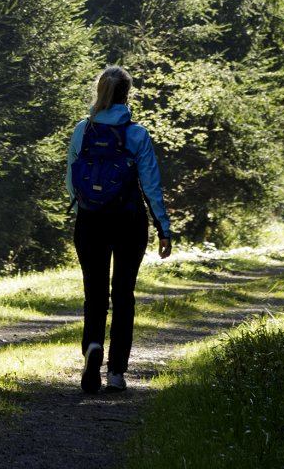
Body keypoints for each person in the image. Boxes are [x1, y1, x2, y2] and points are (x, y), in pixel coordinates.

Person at [66, 65, 172, 393]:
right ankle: (116, 372)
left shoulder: (83, 129)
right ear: (128, 95)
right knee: (123, 294)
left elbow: (71, 180)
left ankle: (93, 346)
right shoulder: (137, 134)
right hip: (128, 221)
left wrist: (85, 207)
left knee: (94, 292)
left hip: (89, 221)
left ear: (100, 92)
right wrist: (164, 228)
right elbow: (151, 185)